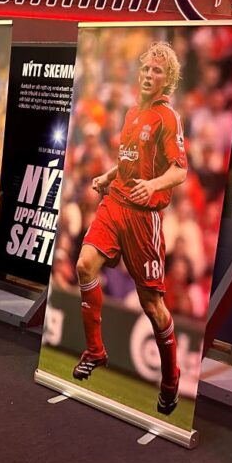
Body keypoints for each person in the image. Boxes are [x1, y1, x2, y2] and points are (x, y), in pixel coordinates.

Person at [74, 41, 187, 416]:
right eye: (146, 69)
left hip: (143, 216)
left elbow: (180, 170)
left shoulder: (167, 117)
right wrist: (108, 176)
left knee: (152, 306)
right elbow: (128, 161)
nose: (149, 75)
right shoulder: (132, 112)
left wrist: (153, 186)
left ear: (167, 79)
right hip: (115, 203)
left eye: (158, 71)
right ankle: (95, 351)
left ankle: (170, 380)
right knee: (84, 265)